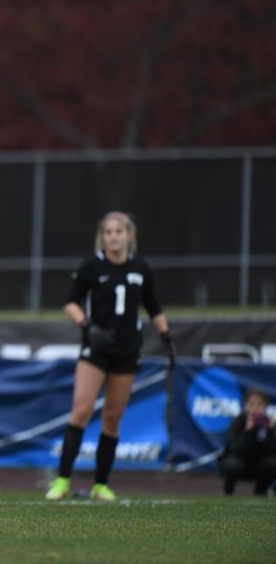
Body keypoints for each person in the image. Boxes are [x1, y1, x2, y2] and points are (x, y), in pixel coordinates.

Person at [46, 211, 176, 501]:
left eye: (119, 232)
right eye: (108, 232)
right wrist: (87, 326)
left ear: (129, 235)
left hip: (127, 350)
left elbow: (154, 307)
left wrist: (167, 339)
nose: (113, 237)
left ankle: (100, 485)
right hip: (96, 348)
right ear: (102, 236)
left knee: (113, 418)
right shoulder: (92, 266)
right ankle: (62, 481)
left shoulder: (140, 267)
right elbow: (70, 302)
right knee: (81, 411)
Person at [218, 389, 276, 496]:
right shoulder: (238, 421)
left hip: (258, 465)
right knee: (232, 465)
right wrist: (248, 432)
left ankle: (260, 492)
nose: (255, 408)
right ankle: (228, 490)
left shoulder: (268, 424)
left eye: (259, 404)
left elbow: (271, 451)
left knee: (272, 463)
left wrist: (271, 431)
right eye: (251, 404)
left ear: (265, 407)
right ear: (245, 405)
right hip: (240, 464)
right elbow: (235, 450)